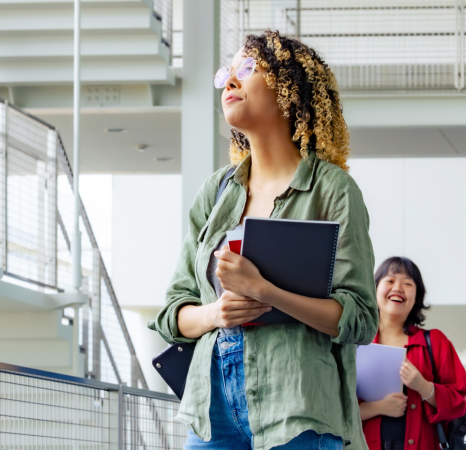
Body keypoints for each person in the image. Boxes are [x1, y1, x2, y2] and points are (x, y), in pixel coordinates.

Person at [147, 30, 378, 450]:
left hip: (299, 407)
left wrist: (266, 293)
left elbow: (360, 318)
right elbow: (171, 314)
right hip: (211, 412)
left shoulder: (333, 190)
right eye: (226, 75)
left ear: (290, 90)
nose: (230, 82)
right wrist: (216, 314)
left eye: (247, 69)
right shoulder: (216, 192)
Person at [359, 257, 466, 450]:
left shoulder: (435, 342)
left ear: (417, 296)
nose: (398, 288)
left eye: (408, 283)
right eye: (390, 281)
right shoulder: (356, 344)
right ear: (373, 289)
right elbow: (335, 407)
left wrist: (424, 386)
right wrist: (379, 407)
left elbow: (458, 404)